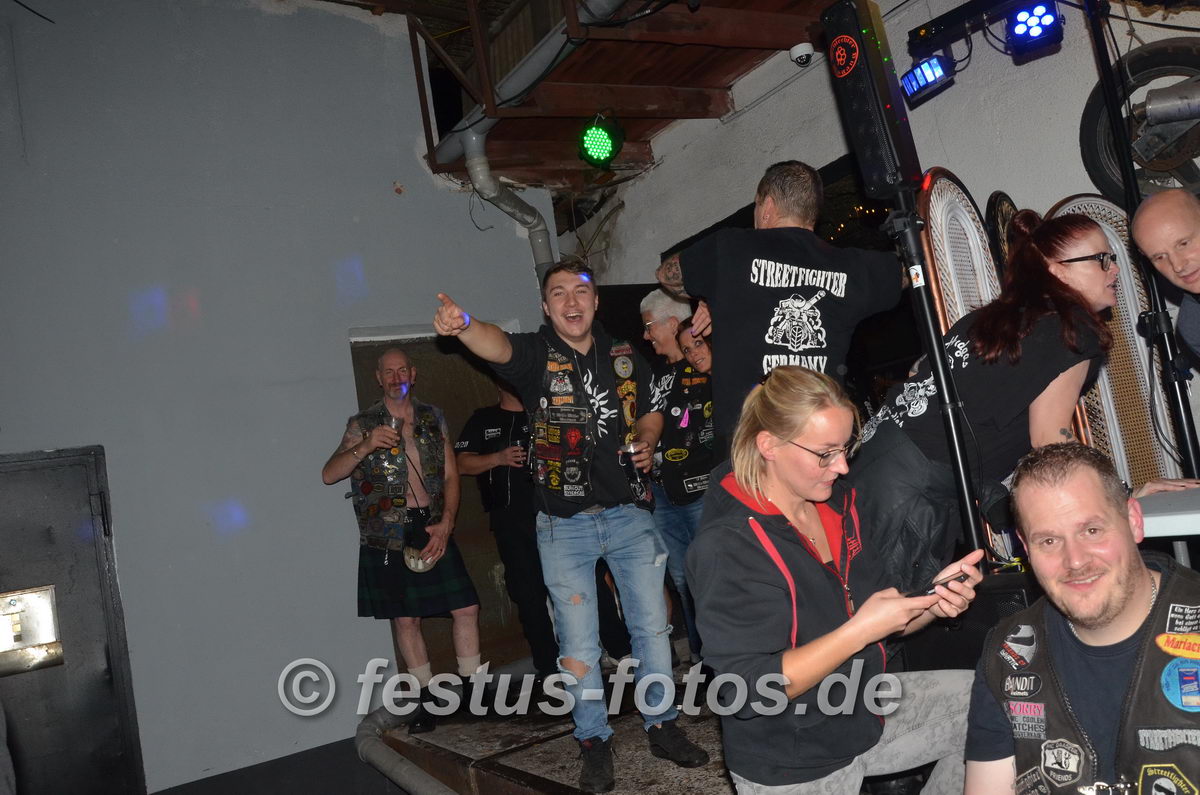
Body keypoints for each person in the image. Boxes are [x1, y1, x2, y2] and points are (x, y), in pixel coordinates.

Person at [433, 261, 709, 794]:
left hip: (629, 515)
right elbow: (495, 344)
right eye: (557, 293)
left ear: (595, 301)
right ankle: (593, 740)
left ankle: (662, 725)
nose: (570, 301)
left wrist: (648, 438)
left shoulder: (624, 354)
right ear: (546, 307)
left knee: (652, 629)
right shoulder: (536, 355)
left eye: (580, 290)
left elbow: (651, 409)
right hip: (564, 525)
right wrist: (464, 324)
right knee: (578, 642)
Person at [687, 366, 983, 791]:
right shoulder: (727, 545)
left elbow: (879, 619)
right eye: (825, 453)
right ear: (769, 445)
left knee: (995, 701)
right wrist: (860, 630)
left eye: (846, 448)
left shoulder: (838, 505)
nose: (843, 466)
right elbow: (747, 690)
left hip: (863, 710)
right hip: (793, 759)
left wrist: (932, 602)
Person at [850, 209, 1118, 593]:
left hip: (875, 458)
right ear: (1056, 271)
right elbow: (1050, 443)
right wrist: (1114, 495)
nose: (1114, 269)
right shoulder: (1070, 327)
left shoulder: (998, 317)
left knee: (850, 594)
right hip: (910, 489)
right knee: (886, 611)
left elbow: (918, 371)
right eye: (1101, 259)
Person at [965, 443, 1200, 791]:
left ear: (1133, 521)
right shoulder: (1007, 655)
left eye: (1091, 530)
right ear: (1026, 549)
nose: (1075, 561)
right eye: (1048, 541)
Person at [655, 160, 905, 452]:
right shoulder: (849, 266)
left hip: (751, 446)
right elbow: (909, 271)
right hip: (819, 444)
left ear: (768, 205)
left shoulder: (730, 249)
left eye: (757, 205)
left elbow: (666, 275)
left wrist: (711, 293)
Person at [321, 348, 482, 734]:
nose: (396, 378)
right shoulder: (362, 423)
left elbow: (451, 475)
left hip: (432, 524)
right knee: (406, 618)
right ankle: (428, 701)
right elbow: (329, 474)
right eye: (388, 372)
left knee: (466, 607)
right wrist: (364, 446)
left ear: (413, 373)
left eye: (402, 370)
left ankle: (475, 695)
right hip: (388, 531)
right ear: (379, 378)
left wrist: (446, 523)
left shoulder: (432, 417)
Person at [455, 380, 558, 682]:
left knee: (572, 588)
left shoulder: (545, 411)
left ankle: (601, 652)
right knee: (528, 594)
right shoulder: (483, 418)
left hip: (558, 516)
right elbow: (460, 463)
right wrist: (498, 458)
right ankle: (548, 667)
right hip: (510, 520)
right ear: (497, 383)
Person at [649, 317, 716, 664]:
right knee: (682, 578)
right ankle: (700, 655)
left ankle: (724, 655)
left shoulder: (726, 379)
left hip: (706, 489)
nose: (693, 353)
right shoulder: (659, 375)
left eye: (698, 345)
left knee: (714, 573)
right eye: (688, 349)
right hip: (662, 489)